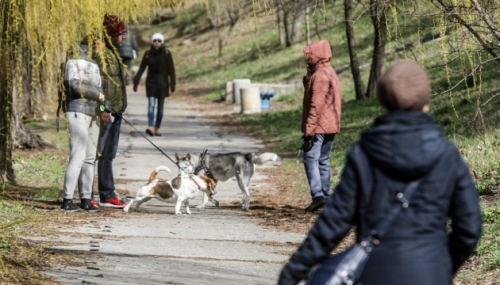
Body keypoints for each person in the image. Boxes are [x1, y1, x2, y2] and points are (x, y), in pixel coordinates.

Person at [278, 61, 483, 285]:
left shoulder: (364, 154)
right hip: (431, 274)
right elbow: (470, 228)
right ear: (426, 102)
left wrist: (292, 273)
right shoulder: (447, 157)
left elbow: (333, 224)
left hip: (375, 274)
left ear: (383, 101)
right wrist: (442, 266)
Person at [60, 35, 105, 213]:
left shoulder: (94, 64)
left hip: (93, 113)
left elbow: (100, 91)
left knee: (89, 158)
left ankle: (86, 199)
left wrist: (103, 108)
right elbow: (73, 86)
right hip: (77, 110)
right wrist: (97, 96)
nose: (103, 46)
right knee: (78, 155)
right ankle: (67, 200)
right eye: (101, 43)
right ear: (94, 43)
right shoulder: (73, 61)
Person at [301, 39, 341, 212]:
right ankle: (326, 196)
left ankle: (318, 196)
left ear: (317, 55)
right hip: (331, 124)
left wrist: (309, 132)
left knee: (310, 158)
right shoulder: (328, 71)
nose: (307, 58)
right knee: (323, 160)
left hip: (319, 125)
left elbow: (315, 106)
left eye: (310, 55)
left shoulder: (320, 76)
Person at [93, 14, 128, 208]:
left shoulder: (113, 51)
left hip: (116, 111)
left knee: (109, 155)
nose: (123, 38)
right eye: (121, 34)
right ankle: (88, 195)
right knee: (97, 154)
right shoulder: (100, 53)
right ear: (112, 34)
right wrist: (103, 108)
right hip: (106, 113)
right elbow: (96, 85)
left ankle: (107, 195)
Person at [133, 32, 176, 137]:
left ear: (162, 42)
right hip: (151, 84)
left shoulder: (166, 54)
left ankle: (158, 127)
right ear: (152, 42)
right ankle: (151, 126)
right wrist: (136, 82)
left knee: (160, 109)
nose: (157, 43)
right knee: (151, 106)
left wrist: (172, 83)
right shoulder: (148, 54)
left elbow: (171, 70)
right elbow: (142, 68)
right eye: (155, 41)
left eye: (159, 41)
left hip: (162, 85)